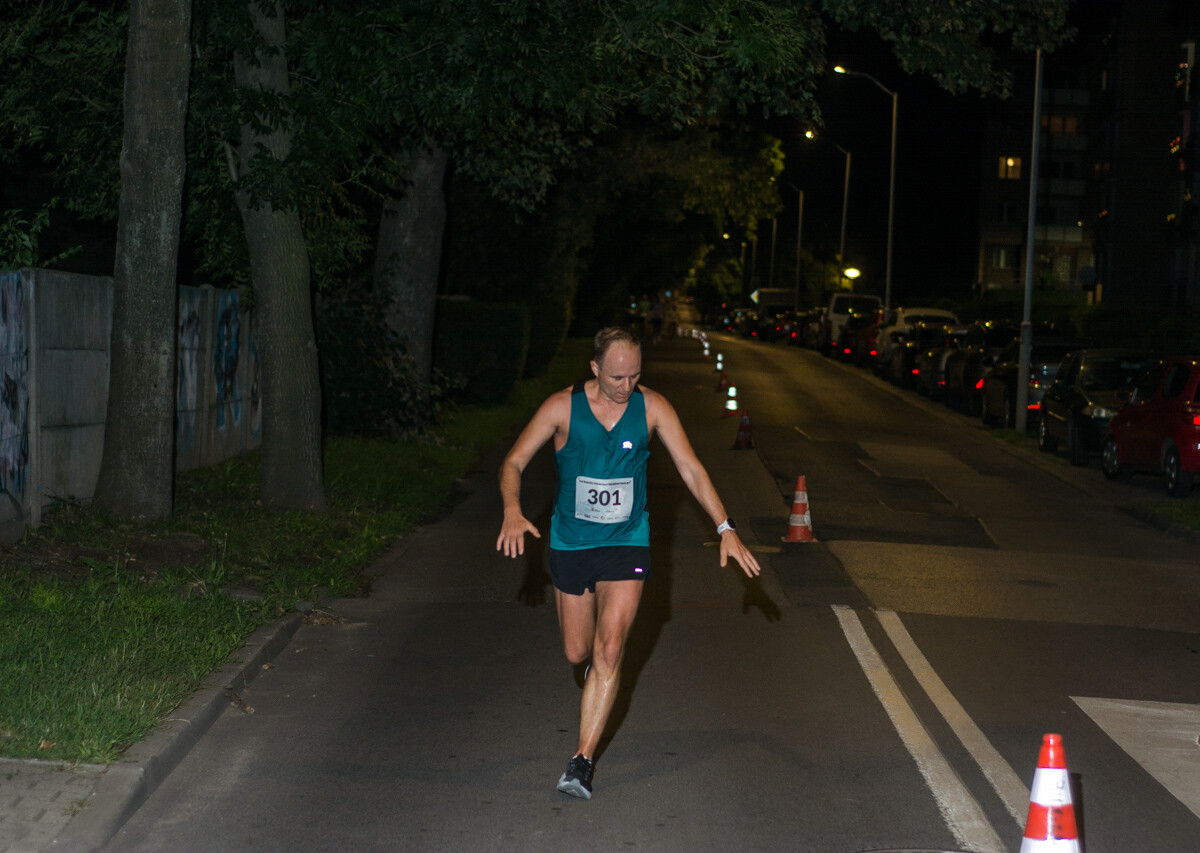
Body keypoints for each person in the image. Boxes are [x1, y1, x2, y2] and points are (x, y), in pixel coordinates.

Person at [496, 326, 761, 800]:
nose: (626, 386)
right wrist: (512, 510)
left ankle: (581, 762)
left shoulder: (653, 407)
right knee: (577, 652)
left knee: (612, 647)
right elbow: (513, 462)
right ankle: (594, 677)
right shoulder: (561, 407)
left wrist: (725, 527)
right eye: (617, 377)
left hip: (627, 541)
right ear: (595, 368)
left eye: (635, 376)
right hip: (572, 544)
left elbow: (691, 468)